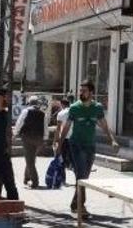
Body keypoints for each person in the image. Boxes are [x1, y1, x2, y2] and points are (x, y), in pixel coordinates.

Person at [55, 81, 118, 217]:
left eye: (84, 90)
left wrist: (112, 140)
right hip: (76, 145)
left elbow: (104, 125)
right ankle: (81, 206)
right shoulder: (74, 108)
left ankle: (74, 203)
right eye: (80, 90)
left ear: (91, 92)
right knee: (81, 175)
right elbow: (66, 127)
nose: (81, 93)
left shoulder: (97, 107)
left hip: (90, 146)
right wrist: (59, 145)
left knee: (85, 177)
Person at [14, 96, 46, 189]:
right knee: (31, 158)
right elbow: (45, 127)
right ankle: (26, 178)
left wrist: (15, 133)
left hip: (27, 137)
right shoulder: (42, 113)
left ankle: (35, 181)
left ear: (29, 103)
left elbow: (19, 122)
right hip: (38, 138)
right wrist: (45, 138)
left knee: (30, 160)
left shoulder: (26, 111)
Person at [55, 97, 74, 171]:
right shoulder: (74, 112)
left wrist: (55, 140)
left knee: (62, 158)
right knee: (73, 159)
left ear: (62, 104)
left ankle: (62, 178)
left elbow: (58, 128)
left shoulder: (61, 113)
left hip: (64, 138)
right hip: (74, 138)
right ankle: (77, 178)